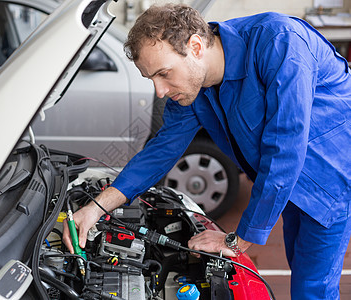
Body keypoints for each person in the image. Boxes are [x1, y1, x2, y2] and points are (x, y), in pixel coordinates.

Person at [63, 3, 351, 299]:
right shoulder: (191, 86)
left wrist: (237, 241)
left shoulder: (280, 42)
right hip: (284, 185)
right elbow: (161, 150)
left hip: (329, 182)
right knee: (298, 259)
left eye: (164, 73)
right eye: (152, 79)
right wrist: (97, 207)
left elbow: (285, 150)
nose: (160, 91)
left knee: (311, 287)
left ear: (196, 46)